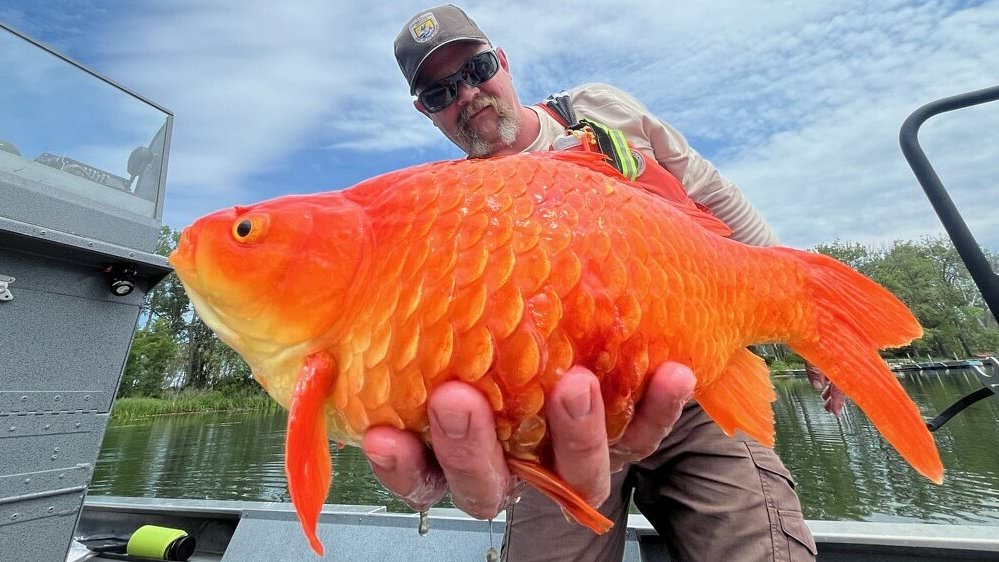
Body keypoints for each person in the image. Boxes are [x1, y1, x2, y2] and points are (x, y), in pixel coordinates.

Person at [364, 5, 831, 560]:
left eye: (476, 69)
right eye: (441, 93)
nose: (467, 95)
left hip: (695, 389)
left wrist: (810, 317)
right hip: (555, 433)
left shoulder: (597, 110)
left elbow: (710, 192)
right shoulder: (453, 210)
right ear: (426, 112)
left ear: (504, 62)